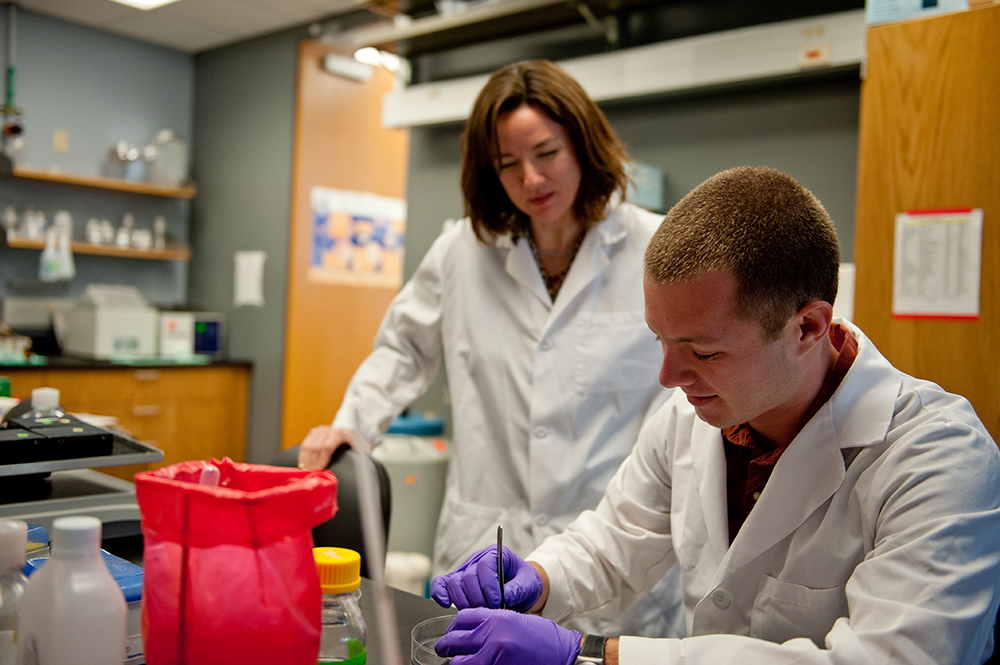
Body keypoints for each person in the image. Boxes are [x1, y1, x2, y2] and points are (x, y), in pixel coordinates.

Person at [430, 165, 1000, 665]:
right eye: (660, 341)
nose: (668, 378)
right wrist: (538, 579)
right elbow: (614, 541)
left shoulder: (938, 460)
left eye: (703, 352)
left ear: (806, 327)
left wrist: (593, 656)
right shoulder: (690, 417)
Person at [296, 59, 682, 637]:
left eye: (546, 152)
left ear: (582, 144)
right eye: (508, 164)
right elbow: (402, 350)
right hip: (486, 551)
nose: (530, 179)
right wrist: (353, 424)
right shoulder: (463, 252)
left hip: (615, 562)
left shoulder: (656, 246)